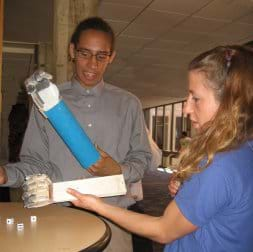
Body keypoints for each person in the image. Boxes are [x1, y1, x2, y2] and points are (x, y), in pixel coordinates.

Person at [67, 45, 253, 252]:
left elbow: (163, 230)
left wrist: (97, 205)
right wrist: (190, 190)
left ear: (229, 102)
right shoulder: (244, 151)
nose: (186, 108)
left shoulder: (218, 165)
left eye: (196, 98)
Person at [0, 17, 152, 252]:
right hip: (59, 219)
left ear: (111, 57)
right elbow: (36, 165)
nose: (92, 64)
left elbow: (142, 160)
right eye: (85, 53)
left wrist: (117, 170)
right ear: (72, 50)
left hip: (115, 221)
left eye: (102, 56)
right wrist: (3, 175)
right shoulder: (48, 103)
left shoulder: (129, 104)